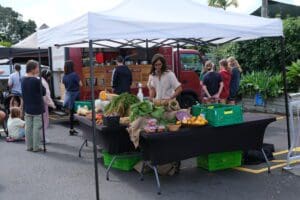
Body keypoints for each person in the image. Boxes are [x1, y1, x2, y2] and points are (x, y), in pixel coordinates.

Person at [22, 60, 46, 152]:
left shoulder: (23, 79)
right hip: (37, 107)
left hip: (27, 106)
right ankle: (36, 146)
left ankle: (29, 146)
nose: (38, 69)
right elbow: (43, 92)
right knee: (36, 127)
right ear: (32, 69)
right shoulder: (36, 80)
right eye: (37, 67)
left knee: (28, 127)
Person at [63, 60, 82, 136]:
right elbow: (81, 84)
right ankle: (84, 129)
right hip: (76, 95)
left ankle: (71, 129)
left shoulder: (64, 76)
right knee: (79, 112)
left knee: (71, 114)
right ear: (72, 67)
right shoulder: (74, 75)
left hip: (69, 95)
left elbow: (65, 86)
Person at [41, 69, 56, 142]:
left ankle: (41, 137)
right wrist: (52, 104)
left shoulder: (40, 80)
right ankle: (43, 138)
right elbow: (47, 95)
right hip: (44, 104)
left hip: (40, 103)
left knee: (41, 121)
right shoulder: (44, 83)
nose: (50, 78)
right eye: (49, 76)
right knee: (44, 121)